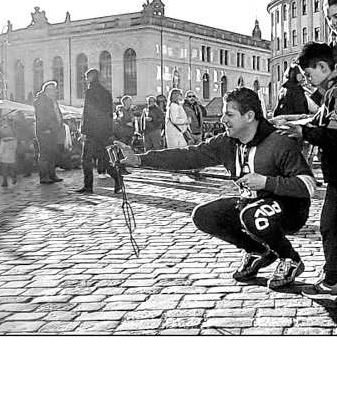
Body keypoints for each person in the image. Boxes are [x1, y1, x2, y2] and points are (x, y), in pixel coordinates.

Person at [120, 88, 314, 290]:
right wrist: (140, 159)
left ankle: (290, 259)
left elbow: (308, 185)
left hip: (290, 210)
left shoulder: (278, 142)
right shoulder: (226, 142)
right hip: (252, 205)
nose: (223, 120)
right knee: (204, 215)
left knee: (253, 215)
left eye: (229, 114)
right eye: (223, 113)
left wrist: (266, 182)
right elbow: (189, 155)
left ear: (249, 117)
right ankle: (257, 251)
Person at [276, 42, 337, 307]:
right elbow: (325, 123)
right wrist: (300, 124)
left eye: (309, 74)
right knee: (330, 227)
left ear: (322, 67)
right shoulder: (331, 92)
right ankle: (333, 279)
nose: (307, 80)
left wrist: (303, 132)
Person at [79, 68, 114, 193]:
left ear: (91, 78)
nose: (85, 80)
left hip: (92, 131)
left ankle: (88, 185)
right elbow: (110, 113)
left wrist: (84, 131)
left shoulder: (90, 92)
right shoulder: (106, 92)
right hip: (103, 131)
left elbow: (88, 113)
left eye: (87, 77)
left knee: (86, 159)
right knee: (104, 157)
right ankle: (118, 180)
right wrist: (109, 130)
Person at [34, 82, 65, 184]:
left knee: (52, 153)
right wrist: (45, 128)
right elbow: (41, 116)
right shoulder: (41, 101)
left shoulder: (52, 101)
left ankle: (52, 174)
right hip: (45, 130)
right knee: (45, 153)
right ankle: (44, 176)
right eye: (53, 89)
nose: (55, 91)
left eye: (55, 89)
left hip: (54, 130)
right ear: (46, 90)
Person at [0, 120, 19, 188]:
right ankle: (13, 176)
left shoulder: (3, 141)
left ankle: (5, 181)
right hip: (11, 157)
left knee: (4, 170)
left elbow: (0, 150)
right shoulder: (14, 140)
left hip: (3, 158)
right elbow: (15, 148)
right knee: (9, 169)